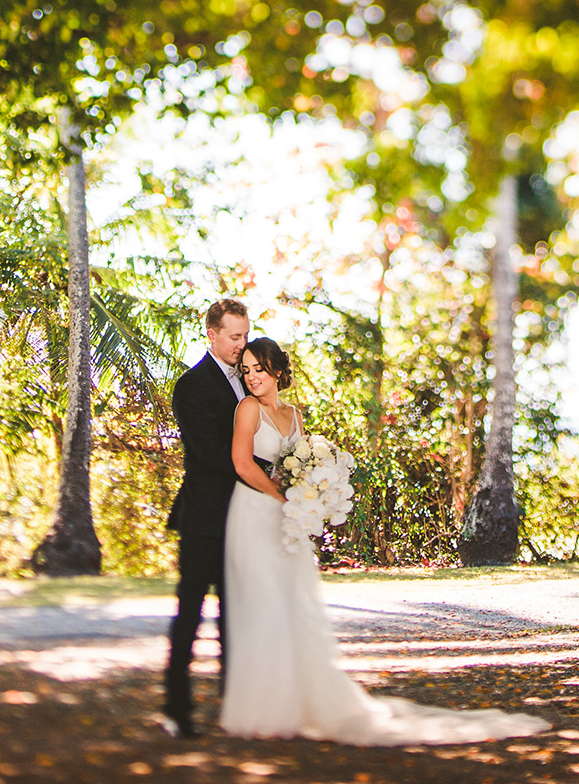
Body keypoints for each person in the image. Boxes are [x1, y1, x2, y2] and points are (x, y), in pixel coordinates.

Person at [218, 336, 550, 745]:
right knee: (262, 603)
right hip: (253, 512)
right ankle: (260, 708)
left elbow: (300, 462)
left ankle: (295, 700)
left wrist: (309, 493)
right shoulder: (246, 409)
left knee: (290, 602)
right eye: (246, 370)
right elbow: (240, 462)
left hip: (286, 513)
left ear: (277, 371)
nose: (252, 378)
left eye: (259, 370)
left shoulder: (294, 414)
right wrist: (281, 495)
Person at [161, 297, 249, 737]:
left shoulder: (251, 383)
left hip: (244, 518)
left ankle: (233, 706)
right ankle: (177, 707)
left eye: (245, 335)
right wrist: (261, 470)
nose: (241, 344)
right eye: (234, 336)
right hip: (202, 516)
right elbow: (208, 451)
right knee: (191, 614)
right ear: (212, 335)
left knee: (236, 616)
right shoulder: (192, 385)